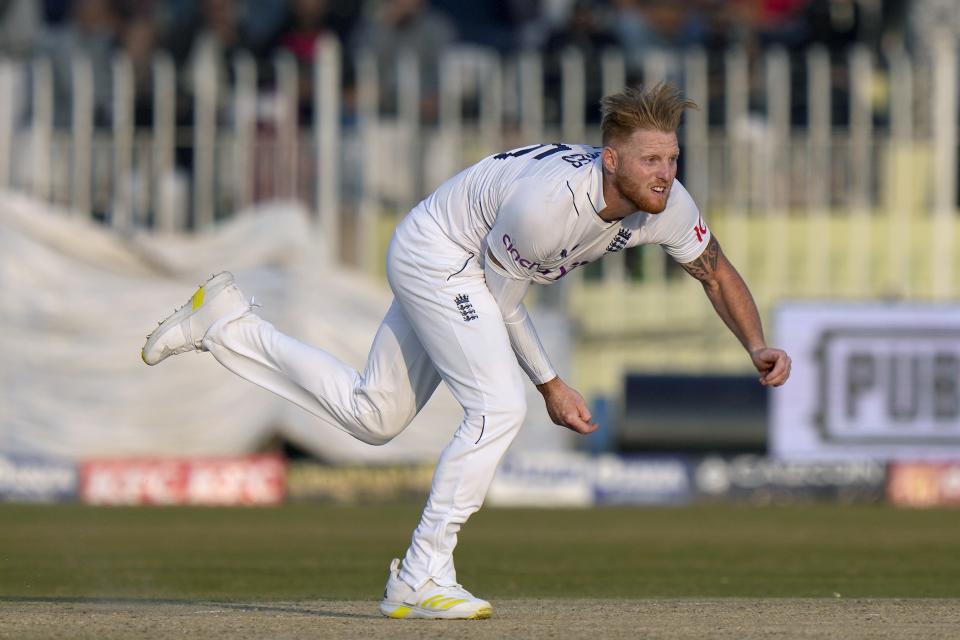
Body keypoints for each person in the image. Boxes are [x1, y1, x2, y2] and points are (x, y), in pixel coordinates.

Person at [141, 82, 792, 620]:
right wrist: (550, 385)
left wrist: (756, 343)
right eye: (651, 161)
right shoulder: (548, 208)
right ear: (611, 159)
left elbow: (715, 270)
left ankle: (225, 325)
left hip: (466, 264)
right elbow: (500, 303)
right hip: (438, 255)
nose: (666, 174)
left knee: (375, 416)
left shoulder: (668, 206)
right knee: (499, 407)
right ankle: (423, 572)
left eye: (673, 160)